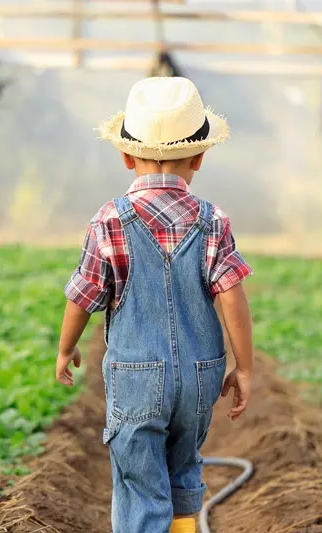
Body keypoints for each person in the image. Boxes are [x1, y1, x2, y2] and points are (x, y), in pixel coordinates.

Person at [56, 76, 254, 533]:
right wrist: (244, 366)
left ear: (126, 155)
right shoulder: (213, 221)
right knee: (185, 469)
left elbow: (82, 294)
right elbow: (232, 296)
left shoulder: (109, 220)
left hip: (137, 378)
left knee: (140, 482)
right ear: (200, 157)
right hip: (201, 375)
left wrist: (66, 348)